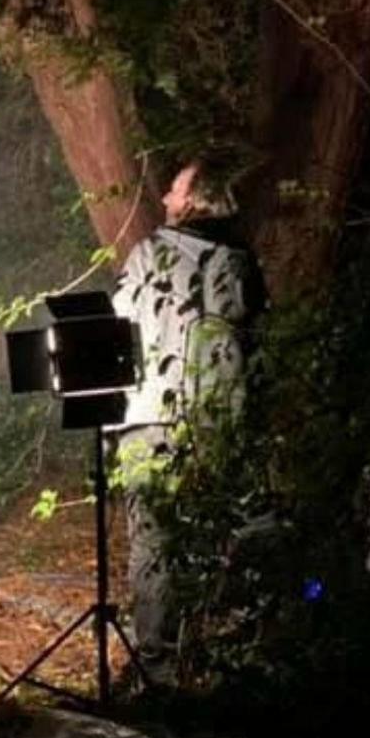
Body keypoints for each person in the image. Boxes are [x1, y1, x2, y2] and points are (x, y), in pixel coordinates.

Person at [107, 160, 265, 684]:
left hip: (150, 419)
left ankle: (158, 667)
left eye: (175, 189)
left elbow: (116, 329)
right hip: (216, 421)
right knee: (215, 534)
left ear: (194, 201)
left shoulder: (151, 253)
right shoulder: (240, 263)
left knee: (153, 543)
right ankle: (221, 656)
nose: (167, 196)